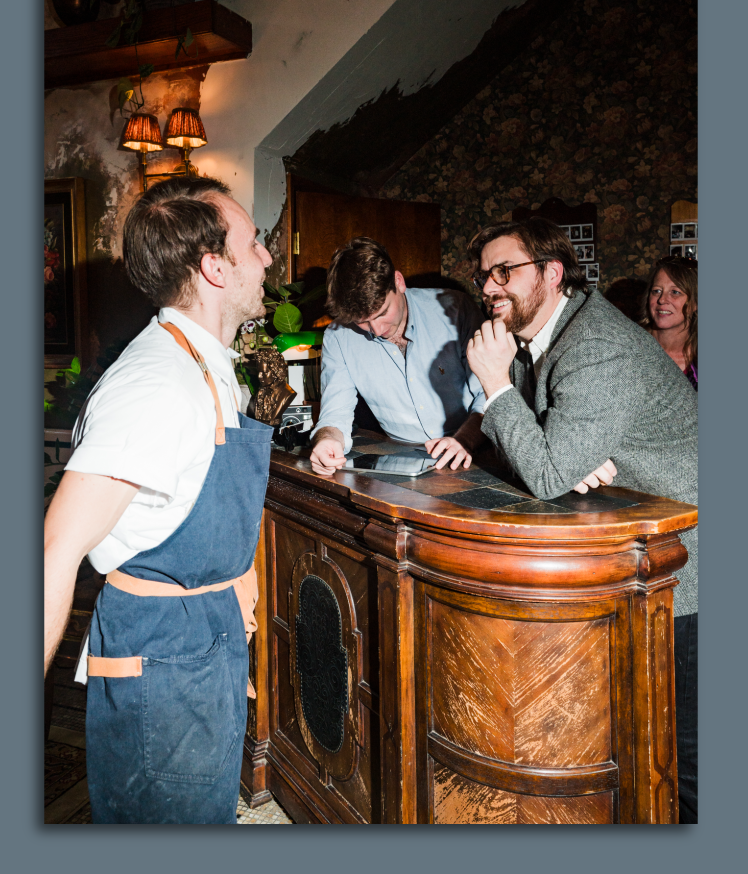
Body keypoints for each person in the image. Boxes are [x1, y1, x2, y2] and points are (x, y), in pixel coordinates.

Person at [42, 174, 275, 823]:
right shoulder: (156, 383)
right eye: (253, 244)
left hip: (204, 646)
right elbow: (55, 550)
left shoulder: (204, 362)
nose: (266, 257)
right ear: (214, 267)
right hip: (165, 668)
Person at [463, 217, 700, 820]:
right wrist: (563, 455)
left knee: (686, 749)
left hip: (690, 559)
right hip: (638, 542)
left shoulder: (595, 345)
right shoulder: (540, 337)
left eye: (505, 271)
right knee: (642, 738)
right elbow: (547, 458)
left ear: (552, 272)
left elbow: (541, 474)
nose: (491, 286)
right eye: (484, 274)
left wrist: (493, 384)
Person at [308, 236, 489, 474]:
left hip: (476, 451)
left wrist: (464, 440)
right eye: (362, 322)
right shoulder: (339, 336)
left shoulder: (455, 309)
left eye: (383, 312)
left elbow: (489, 392)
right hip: (402, 462)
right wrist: (326, 440)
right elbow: (335, 414)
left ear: (398, 281)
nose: (377, 330)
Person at [645, 256, 698, 389]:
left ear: (696, 302)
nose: (662, 300)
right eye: (656, 291)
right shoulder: (629, 346)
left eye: (675, 292)